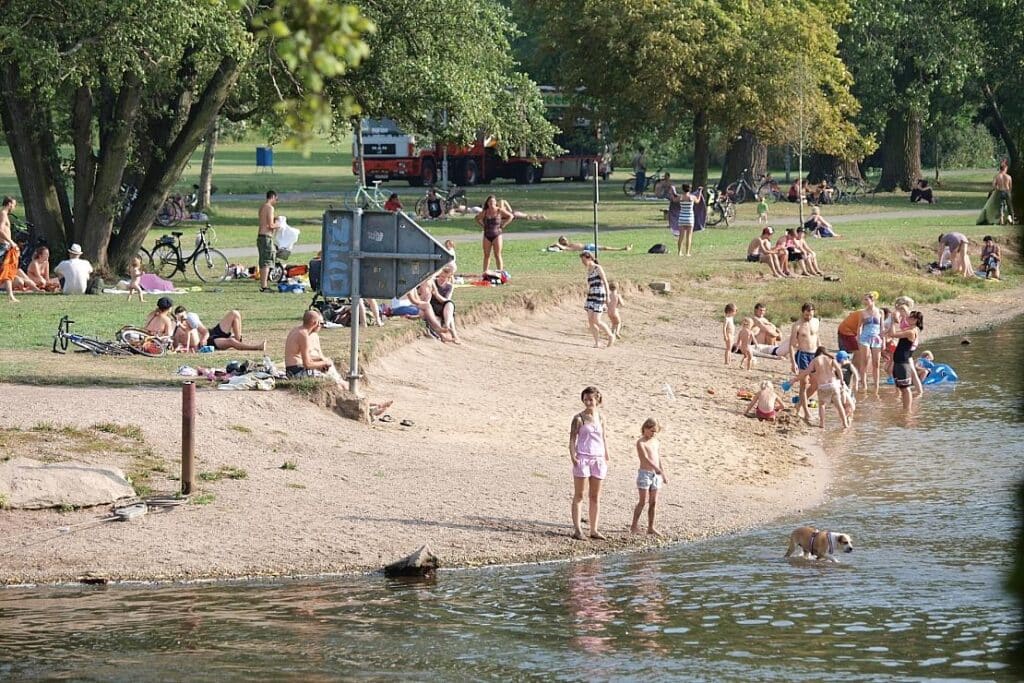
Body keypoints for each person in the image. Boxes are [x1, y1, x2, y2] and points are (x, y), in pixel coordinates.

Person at [569, 386, 611, 540]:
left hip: (598, 458)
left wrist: (606, 454)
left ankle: (594, 529)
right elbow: (572, 438)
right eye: (585, 399)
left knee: (595, 496)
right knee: (580, 494)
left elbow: (604, 437)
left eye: (590, 399)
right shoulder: (579, 418)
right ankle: (578, 529)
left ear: (597, 400)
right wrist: (573, 456)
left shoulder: (601, 418)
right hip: (583, 458)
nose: (588, 402)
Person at [793, 346, 850, 429]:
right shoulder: (831, 359)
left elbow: (806, 372)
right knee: (839, 405)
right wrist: (842, 380)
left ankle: (822, 424)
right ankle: (845, 424)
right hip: (833, 384)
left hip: (823, 386)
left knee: (822, 405)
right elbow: (839, 370)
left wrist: (795, 379)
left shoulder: (815, 360)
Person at [172, 306, 266, 352]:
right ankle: (257, 347)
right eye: (180, 318)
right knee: (231, 341)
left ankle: (239, 341)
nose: (183, 320)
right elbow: (176, 344)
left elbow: (205, 331)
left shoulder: (191, 319)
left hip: (210, 334)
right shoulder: (176, 328)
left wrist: (204, 338)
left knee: (234, 313)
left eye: (183, 317)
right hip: (211, 342)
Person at [631, 418, 667, 536]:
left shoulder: (656, 442)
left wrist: (662, 472)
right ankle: (634, 526)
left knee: (654, 501)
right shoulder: (641, 442)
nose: (653, 433)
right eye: (652, 431)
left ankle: (651, 527)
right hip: (645, 473)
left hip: (655, 475)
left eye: (655, 431)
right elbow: (645, 458)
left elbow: (658, 458)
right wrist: (656, 468)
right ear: (645, 428)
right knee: (643, 501)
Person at [284, 310, 339, 380]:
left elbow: (300, 357)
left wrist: (320, 361)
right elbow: (307, 364)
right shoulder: (303, 335)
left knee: (328, 369)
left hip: (291, 371)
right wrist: (325, 363)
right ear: (315, 322)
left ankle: (343, 384)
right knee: (332, 379)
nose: (320, 325)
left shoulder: (296, 330)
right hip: (297, 372)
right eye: (320, 323)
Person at [789, 303, 820, 423]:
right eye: (807, 314)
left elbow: (817, 338)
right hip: (803, 355)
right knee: (804, 383)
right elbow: (791, 345)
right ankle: (806, 412)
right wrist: (793, 363)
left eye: (811, 313)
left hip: (814, 354)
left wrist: (822, 353)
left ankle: (799, 404)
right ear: (803, 312)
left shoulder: (816, 321)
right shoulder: (797, 325)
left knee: (815, 384)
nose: (809, 316)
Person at [888, 310, 923, 411]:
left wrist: (893, 320)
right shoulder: (910, 329)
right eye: (909, 317)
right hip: (899, 361)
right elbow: (892, 333)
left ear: (916, 320)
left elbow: (892, 334)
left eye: (911, 317)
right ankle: (905, 409)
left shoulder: (911, 332)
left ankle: (907, 410)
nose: (908, 318)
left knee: (905, 388)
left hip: (903, 362)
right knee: (902, 388)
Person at [580, 251, 615, 348]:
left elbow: (605, 282)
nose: (583, 262)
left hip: (599, 294)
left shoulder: (597, 268)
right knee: (590, 320)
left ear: (589, 258)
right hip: (591, 295)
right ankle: (596, 342)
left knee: (597, 320)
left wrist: (607, 296)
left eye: (584, 260)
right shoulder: (589, 270)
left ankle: (610, 335)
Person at [475, 195, 514, 275]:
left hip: (497, 235)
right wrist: (483, 225)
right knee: (486, 255)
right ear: (488, 203)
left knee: (497, 254)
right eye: (490, 202)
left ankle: (500, 273)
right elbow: (477, 218)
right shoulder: (485, 212)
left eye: (493, 202)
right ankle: (485, 272)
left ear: (496, 203)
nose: (491, 203)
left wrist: (504, 224)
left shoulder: (499, 211)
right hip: (487, 235)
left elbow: (510, 216)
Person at [856, 291, 885, 390]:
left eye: (866, 299)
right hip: (865, 338)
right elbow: (859, 326)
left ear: (872, 300)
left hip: (876, 338)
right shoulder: (862, 312)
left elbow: (882, 328)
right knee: (864, 361)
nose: (865, 301)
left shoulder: (880, 312)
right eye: (864, 299)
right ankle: (864, 385)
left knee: (876, 363)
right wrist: (858, 338)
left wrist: (883, 340)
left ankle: (876, 385)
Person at [430, 264, 460, 343]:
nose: (442, 279)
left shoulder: (449, 286)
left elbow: (446, 300)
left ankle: (447, 326)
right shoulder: (433, 282)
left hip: (443, 307)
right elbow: (430, 277)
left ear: (448, 278)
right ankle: (453, 334)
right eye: (441, 276)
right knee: (450, 316)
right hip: (433, 306)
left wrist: (436, 294)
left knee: (450, 305)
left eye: (445, 277)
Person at [670, 183, 701, 257]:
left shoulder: (680, 197)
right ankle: (687, 253)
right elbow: (698, 201)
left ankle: (679, 252)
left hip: (682, 218)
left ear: (682, 189)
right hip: (690, 218)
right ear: (690, 189)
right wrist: (699, 192)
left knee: (681, 236)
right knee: (689, 236)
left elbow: (674, 200)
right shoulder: (692, 197)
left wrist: (672, 192)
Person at [0, 196, 21, 302]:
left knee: (7, 270)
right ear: (9, 204)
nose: (14, 207)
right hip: (2, 246)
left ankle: (11, 296)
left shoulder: (4, 214)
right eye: (14, 204)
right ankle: (11, 296)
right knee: (6, 270)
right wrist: (11, 242)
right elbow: (0, 230)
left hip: (5, 246)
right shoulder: (3, 214)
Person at [257, 190, 278, 292]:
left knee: (262, 260)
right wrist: (279, 224)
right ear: (273, 197)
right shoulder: (270, 207)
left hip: (260, 236)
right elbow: (270, 225)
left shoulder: (262, 207)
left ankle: (263, 284)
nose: (276, 201)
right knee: (267, 261)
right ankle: (264, 286)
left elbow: (264, 220)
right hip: (266, 237)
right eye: (276, 199)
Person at [835, 350, 859, 418]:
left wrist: (856, 384)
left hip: (849, 389)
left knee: (851, 406)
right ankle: (844, 419)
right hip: (842, 388)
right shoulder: (838, 367)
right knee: (846, 405)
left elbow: (856, 374)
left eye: (842, 360)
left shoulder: (849, 365)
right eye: (839, 361)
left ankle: (849, 420)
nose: (841, 362)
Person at [549, 236, 633, 252]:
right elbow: (561, 247)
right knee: (605, 248)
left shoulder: (570, 244)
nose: (566, 240)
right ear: (561, 242)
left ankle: (623, 248)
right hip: (587, 248)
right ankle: (623, 249)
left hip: (588, 245)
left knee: (604, 247)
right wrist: (556, 245)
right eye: (563, 239)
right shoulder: (566, 248)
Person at [994, 160, 1013, 225]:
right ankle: (1012, 219)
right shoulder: (1008, 177)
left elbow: (994, 185)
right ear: (1005, 169)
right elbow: (1010, 187)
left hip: (1000, 191)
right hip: (1007, 192)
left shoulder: (997, 176)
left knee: (1001, 207)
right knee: (1009, 206)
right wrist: (1009, 192)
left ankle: (1001, 221)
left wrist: (997, 189)